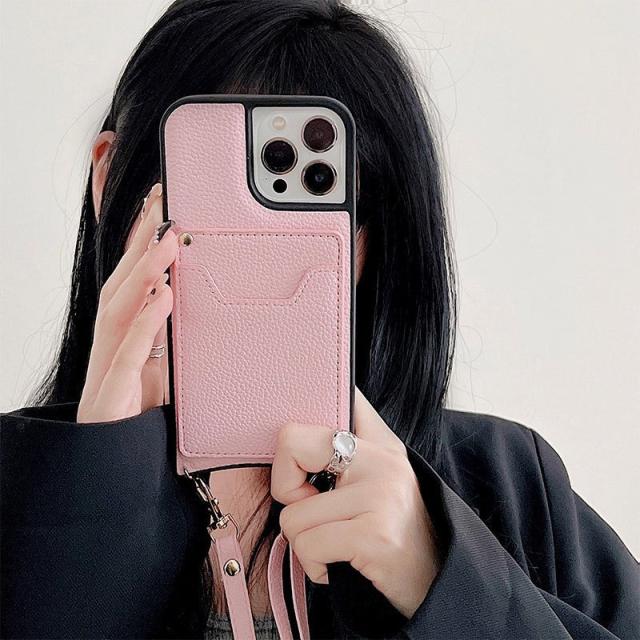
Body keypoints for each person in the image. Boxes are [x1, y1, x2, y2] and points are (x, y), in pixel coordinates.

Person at [1, 1, 638, 639]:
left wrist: (440, 576)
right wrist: (91, 500)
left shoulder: (513, 486)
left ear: (369, 238)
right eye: (217, 195)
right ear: (109, 180)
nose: (259, 247)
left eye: (314, 203)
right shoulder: (18, 502)